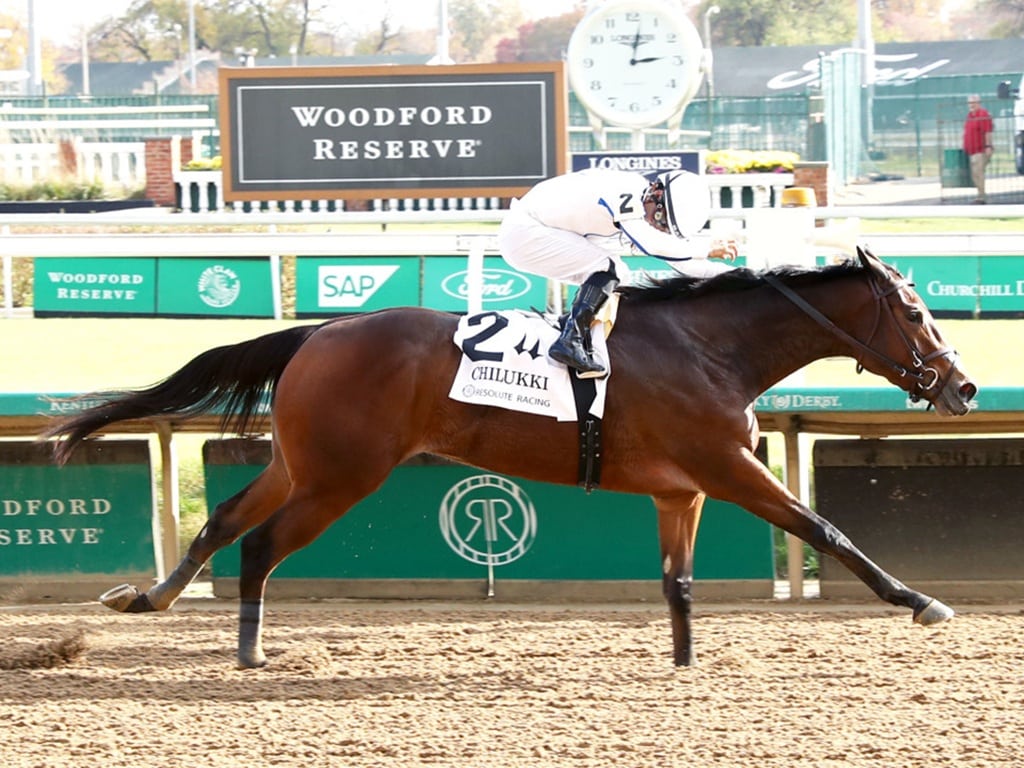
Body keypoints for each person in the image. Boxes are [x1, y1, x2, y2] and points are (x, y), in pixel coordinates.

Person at [498, 168, 737, 378]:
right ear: (656, 191)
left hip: (540, 232)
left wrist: (743, 276)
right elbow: (651, 244)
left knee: (618, 273)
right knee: (609, 268)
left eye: (664, 226)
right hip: (525, 231)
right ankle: (570, 340)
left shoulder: (645, 201)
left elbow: (685, 264)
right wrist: (706, 247)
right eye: (659, 217)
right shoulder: (627, 190)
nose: (656, 225)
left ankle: (576, 335)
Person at [963, 94, 994, 204]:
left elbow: (988, 132)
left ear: (978, 103)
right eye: (970, 103)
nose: (971, 105)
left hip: (980, 149)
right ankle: (980, 194)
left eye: (973, 103)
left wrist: (988, 146)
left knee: (978, 172)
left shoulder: (983, 114)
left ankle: (982, 196)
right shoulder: (970, 116)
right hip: (971, 150)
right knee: (974, 174)